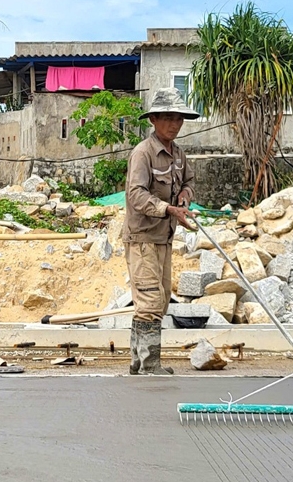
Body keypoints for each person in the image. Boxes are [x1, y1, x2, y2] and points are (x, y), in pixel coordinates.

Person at [123, 87, 199, 375]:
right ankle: (149, 363)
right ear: (154, 119)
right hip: (142, 238)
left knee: (160, 299)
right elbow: (136, 196)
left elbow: (189, 181)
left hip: (163, 239)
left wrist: (184, 197)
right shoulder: (143, 153)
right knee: (150, 301)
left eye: (178, 118)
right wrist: (168, 209)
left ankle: (138, 361)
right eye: (168, 117)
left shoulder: (178, 154)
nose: (175, 124)